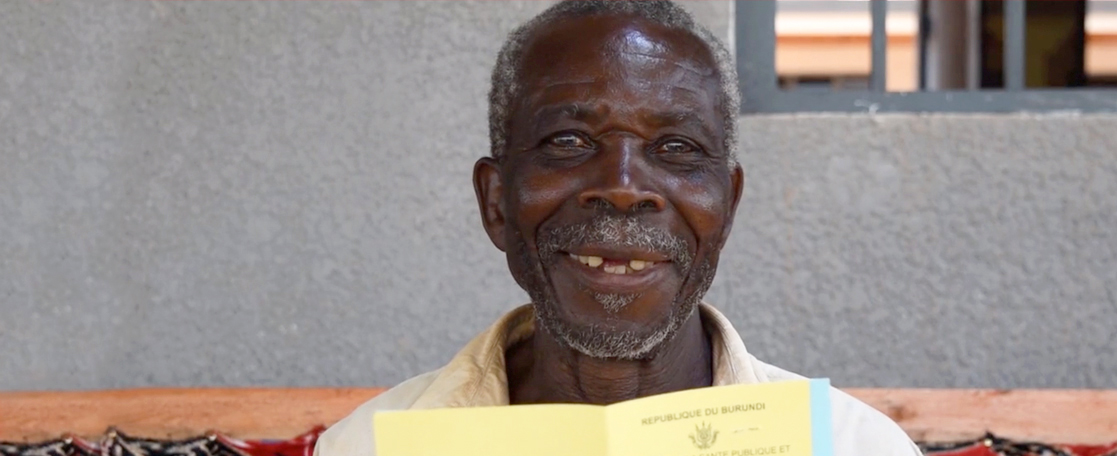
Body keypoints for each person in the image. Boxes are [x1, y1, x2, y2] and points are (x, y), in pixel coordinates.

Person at [315, 1, 921, 455]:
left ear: (727, 208)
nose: (624, 188)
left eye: (677, 147)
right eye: (569, 141)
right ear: (496, 201)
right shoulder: (366, 447)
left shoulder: (856, 448)